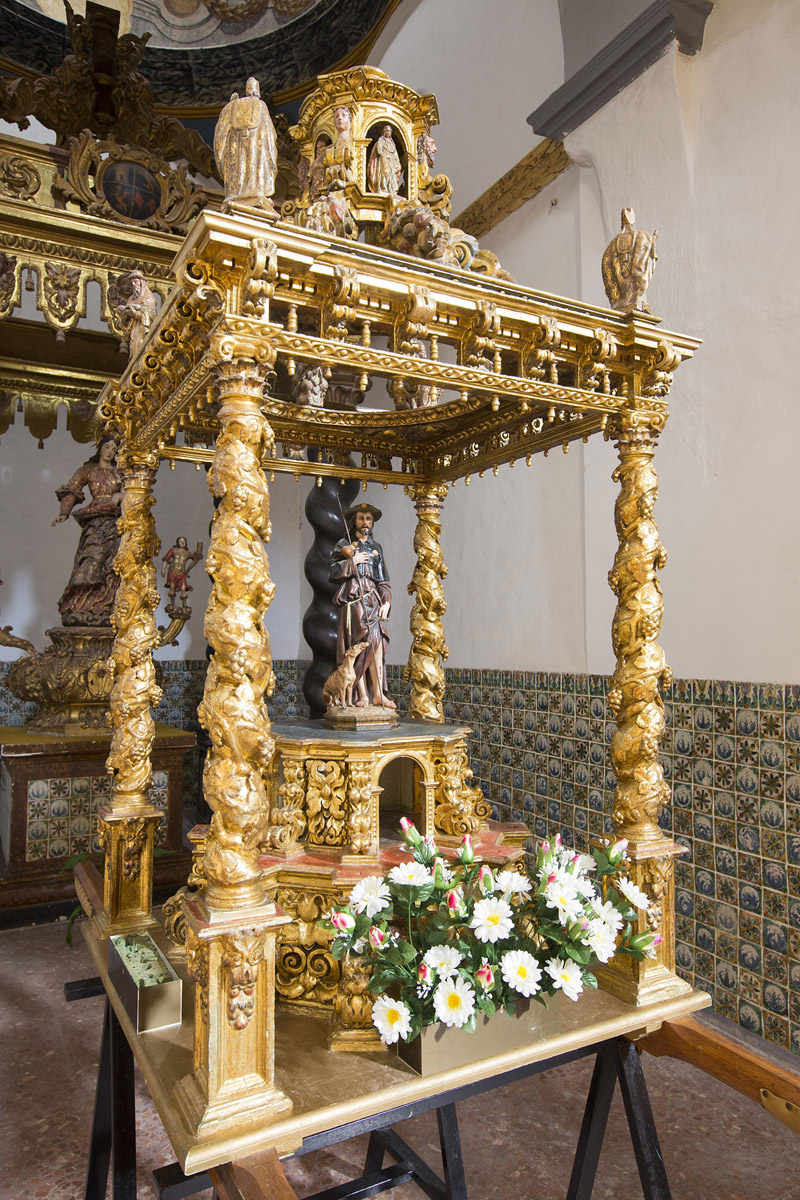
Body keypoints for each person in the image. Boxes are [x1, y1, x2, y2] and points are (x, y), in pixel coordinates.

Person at [52, 435, 124, 627]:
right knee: (91, 558)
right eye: (107, 447)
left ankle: (104, 604)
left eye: (114, 449)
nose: (110, 452)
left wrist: (120, 495)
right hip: (95, 521)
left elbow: (134, 490)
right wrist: (64, 513)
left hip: (115, 521)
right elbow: (72, 489)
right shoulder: (88, 470)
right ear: (100, 447)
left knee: (112, 564)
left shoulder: (119, 472)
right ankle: (81, 604)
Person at [329, 502, 395, 709]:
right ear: (354, 521)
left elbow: (383, 579)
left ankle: (378, 694)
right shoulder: (344, 545)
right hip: (354, 601)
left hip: (373, 600)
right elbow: (332, 572)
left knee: (377, 643)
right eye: (361, 518)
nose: (365, 522)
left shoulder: (376, 548)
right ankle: (362, 694)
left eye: (368, 519)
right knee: (357, 646)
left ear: (372, 522)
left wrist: (386, 602)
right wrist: (353, 562)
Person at [214, 76, 277, 210]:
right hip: (257, 160)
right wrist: (271, 165)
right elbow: (270, 139)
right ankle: (253, 193)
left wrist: (222, 164)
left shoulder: (229, 109)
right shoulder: (261, 106)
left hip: (235, 165)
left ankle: (238, 194)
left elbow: (220, 139)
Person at [161, 536, 202, 609]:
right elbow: (167, 558)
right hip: (173, 571)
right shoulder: (173, 550)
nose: (182, 543)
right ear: (177, 543)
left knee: (183, 588)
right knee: (172, 587)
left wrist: (198, 554)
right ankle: (172, 603)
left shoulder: (187, 553)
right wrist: (163, 568)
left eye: (183, 541)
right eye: (180, 541)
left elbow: (195, 558)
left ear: (186, 543)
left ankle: (184, 604)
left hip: (182, 573)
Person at [368, 125, 403, 195]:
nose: (388, 132)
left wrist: (397, 164)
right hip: (383, 159)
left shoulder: (392, 143)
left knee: (391, 174)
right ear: (384, 132)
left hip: (391, 162)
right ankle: (383, 188)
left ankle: (391, 190)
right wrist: (380, 150)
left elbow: (395, 155)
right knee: (385, 172)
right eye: (387, 131)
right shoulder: (381, 140)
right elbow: (378, 150)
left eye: (390, 131)